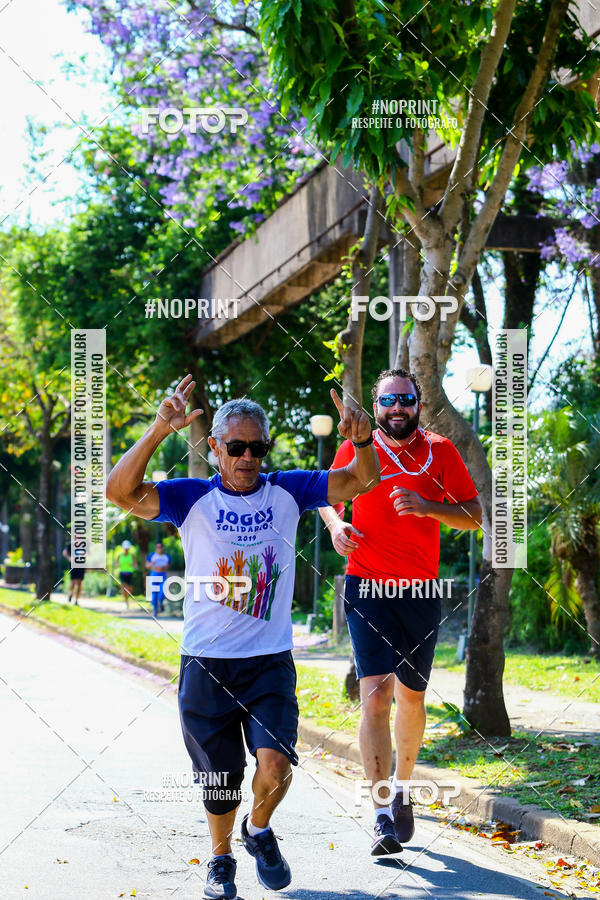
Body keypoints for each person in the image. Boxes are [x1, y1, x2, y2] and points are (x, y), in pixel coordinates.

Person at [106, 374, 380, 900]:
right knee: (220, 779)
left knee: (276, 763)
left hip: (268, 662)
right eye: (236, 447)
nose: (248, 456)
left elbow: (357, 482)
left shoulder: (288, 490)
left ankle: (257, 831)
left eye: (257, 447)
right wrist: (160, 429)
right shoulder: (189, 498)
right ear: (214, 448)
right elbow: (119, 492)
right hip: (206, 664)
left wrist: (364, 441)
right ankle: (220, 857)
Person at [319, 368, 482, 857]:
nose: (397, 409)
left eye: (405, 400)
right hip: (365, 585)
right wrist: (334, 527)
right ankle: (381, 813)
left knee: (412, 697)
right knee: (375, 697)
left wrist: (428, 506)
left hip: (419, 590)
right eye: (388, 401)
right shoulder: (356, 446)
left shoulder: (442, 451)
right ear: (376, 406)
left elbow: (474, 515)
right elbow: (327, 497)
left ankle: (403, 787)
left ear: (418, 403)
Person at [145, 541, 170, 616]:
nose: (159, 549)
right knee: (154, 593)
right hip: (154, 575)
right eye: (157, 547)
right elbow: (147, 565)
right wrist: (151, 564)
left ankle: (161, 602)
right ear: (156, 548)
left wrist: (164, 567)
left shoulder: (166, 556)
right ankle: (155, 609)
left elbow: (169, 565)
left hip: (163, 575)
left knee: (162, 592)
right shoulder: (152, 555)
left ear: (162, 548)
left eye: (160, 547)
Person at [115, 540, 137, 609]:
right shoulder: (119, 555)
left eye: (127, 548)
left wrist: (133, 565)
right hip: (122, 573)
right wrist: (117, 564)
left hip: (130, 573)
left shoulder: (132, 555)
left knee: (129, 588)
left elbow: (135, 564)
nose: (126, 549)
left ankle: (127, 597)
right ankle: (126, 602)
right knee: (124, 587)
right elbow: (116, 563)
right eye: (125, 548)